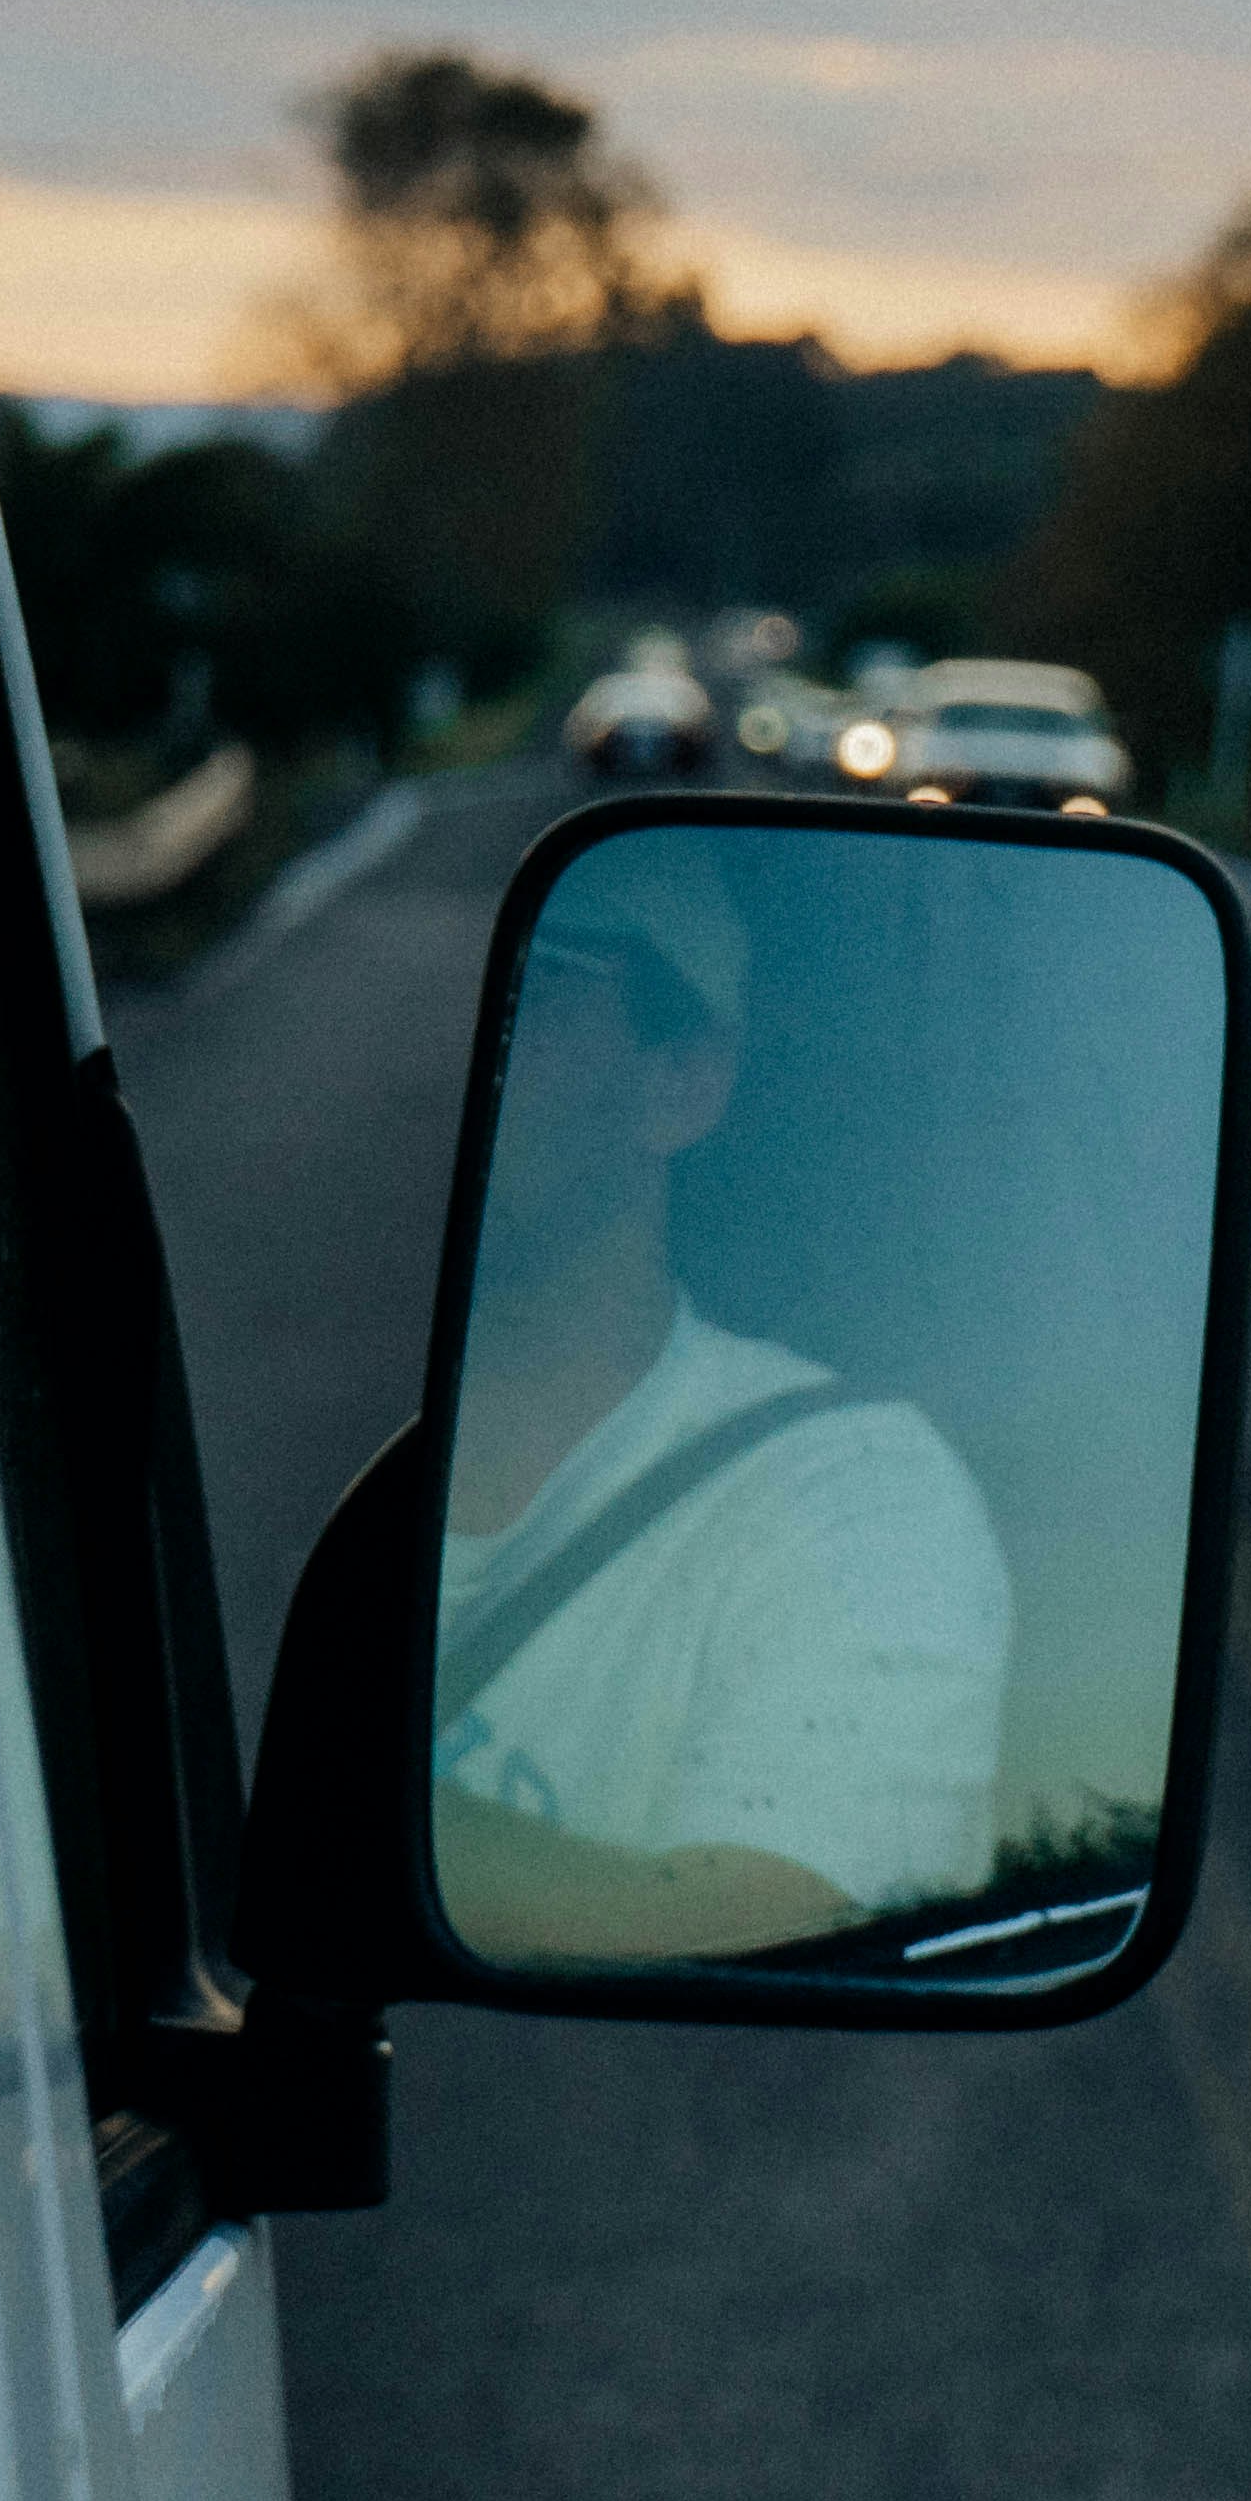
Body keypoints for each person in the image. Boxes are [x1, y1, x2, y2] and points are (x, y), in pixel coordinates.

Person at [432, 834, 1009, 1964]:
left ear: (684, 1084)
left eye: (539, 987)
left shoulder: (852, 1488)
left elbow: (788, 1918)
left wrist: (343, 1819)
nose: (473, 1041)